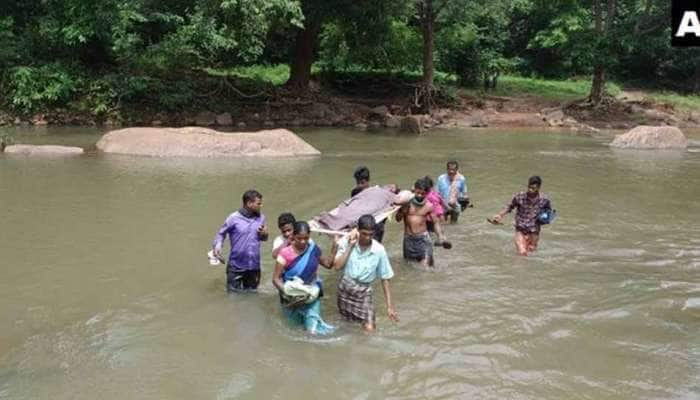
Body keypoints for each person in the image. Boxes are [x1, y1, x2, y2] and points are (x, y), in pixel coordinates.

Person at [334, 215, 398, 332]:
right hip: (345, 288)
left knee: (370, 328)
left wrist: (389, 307)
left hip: (364, 292)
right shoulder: (347, 241)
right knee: (347, 326)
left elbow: (385, 278)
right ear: (357, 230)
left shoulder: (378, 250)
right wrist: (350, 246)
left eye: (370, 234)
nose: (367, 238)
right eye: (364, 234)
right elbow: (337, 266)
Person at [272, 221, 337, 335]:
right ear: (293, 236)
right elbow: (276, 279)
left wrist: (334, 249)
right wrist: (289, 295)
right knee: (294, 331)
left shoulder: (313, 249)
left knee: (312, 332)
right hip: (291, 299)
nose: (303, 242)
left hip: (311, 295)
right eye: (299, 238)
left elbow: (328, 265)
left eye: (306, 238)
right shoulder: (285, 253)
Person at [212, 190, 268, 292]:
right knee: (233, 297)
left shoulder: (261, 218)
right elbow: (221, 234)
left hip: (254, 266)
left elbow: (264, 238)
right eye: (258, 203)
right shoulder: (233, 218)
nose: (261, 205)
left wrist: (264, 234)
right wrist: (218, 246)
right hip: (236, 267)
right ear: (249, 203)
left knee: (252, 296)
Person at [491, 175, 553, 256]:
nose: (530, 190)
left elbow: (549, 211)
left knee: (531, 250)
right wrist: (500, 215)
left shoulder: (545, 199)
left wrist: (545, 218)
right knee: (522, 252)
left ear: (538, 188)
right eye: (529, 187)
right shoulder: (520, 196)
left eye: (533, 188)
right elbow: (509, 206)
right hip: (520, 228)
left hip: (534, 230)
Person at [396, 179, 448, 267]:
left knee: (426, 267)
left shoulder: (429, 206)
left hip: (423, 240)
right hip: (408, 240)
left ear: (426, 193)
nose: (420, 195)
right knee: (409, 267)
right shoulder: (406, 204)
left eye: (423, 193)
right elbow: (398, 219)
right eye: (418, 192)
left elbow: (435, 223)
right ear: (414, 190)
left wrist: (440, 236)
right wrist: (402, 211)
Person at [350, 166, 386, 242]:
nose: (360, 185)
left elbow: (385, 211)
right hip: (361, 227)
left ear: (368, 181)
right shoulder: (355, 193)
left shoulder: (378, 193)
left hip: (376, 227)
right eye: (358, 183)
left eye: (362, 183)